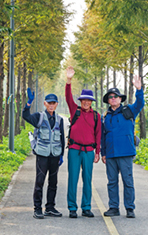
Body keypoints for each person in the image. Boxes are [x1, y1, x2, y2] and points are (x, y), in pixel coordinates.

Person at [101, 75, 144, 218]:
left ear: (120, 99)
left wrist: (139, 89)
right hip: (111, 154)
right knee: (112, 182)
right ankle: (113, 207)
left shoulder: (129, 111)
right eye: (110, 97)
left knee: (128, 181)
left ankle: (130, 208)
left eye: (116, 96)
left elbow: (140, 103)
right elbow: (103, 135)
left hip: (125, 152)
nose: (113, 98)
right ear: (108, 100)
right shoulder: (106, 116)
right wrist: (103, 153)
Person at [22, 88, 65, 219]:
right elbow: (25, 116)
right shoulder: (39, 117)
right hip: (42, 155)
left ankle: (50, 207)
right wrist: (29, 103)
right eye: (49, 103)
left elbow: (62, 138)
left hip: (55, 155)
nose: (51, 105)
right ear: (45, 104)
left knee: (53, 182)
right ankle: (37, 208)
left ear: (56, 104)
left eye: (54, 103)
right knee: (40, 181)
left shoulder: (59, 119)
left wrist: (62, 154)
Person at [65, 66, 101, 218]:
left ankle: (86, 207)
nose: (86, 102)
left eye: (89, 100)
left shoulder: (96, 116)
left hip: (88, 152)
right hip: (74, 150)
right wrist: (69, 80)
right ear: (81, 100)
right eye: (84, 100)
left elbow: (98, 134)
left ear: (91, 102)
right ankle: (72, 208)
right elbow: (67, 97)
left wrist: (98, 152)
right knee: (72, 179)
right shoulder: (75, 110)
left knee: (88, 180)